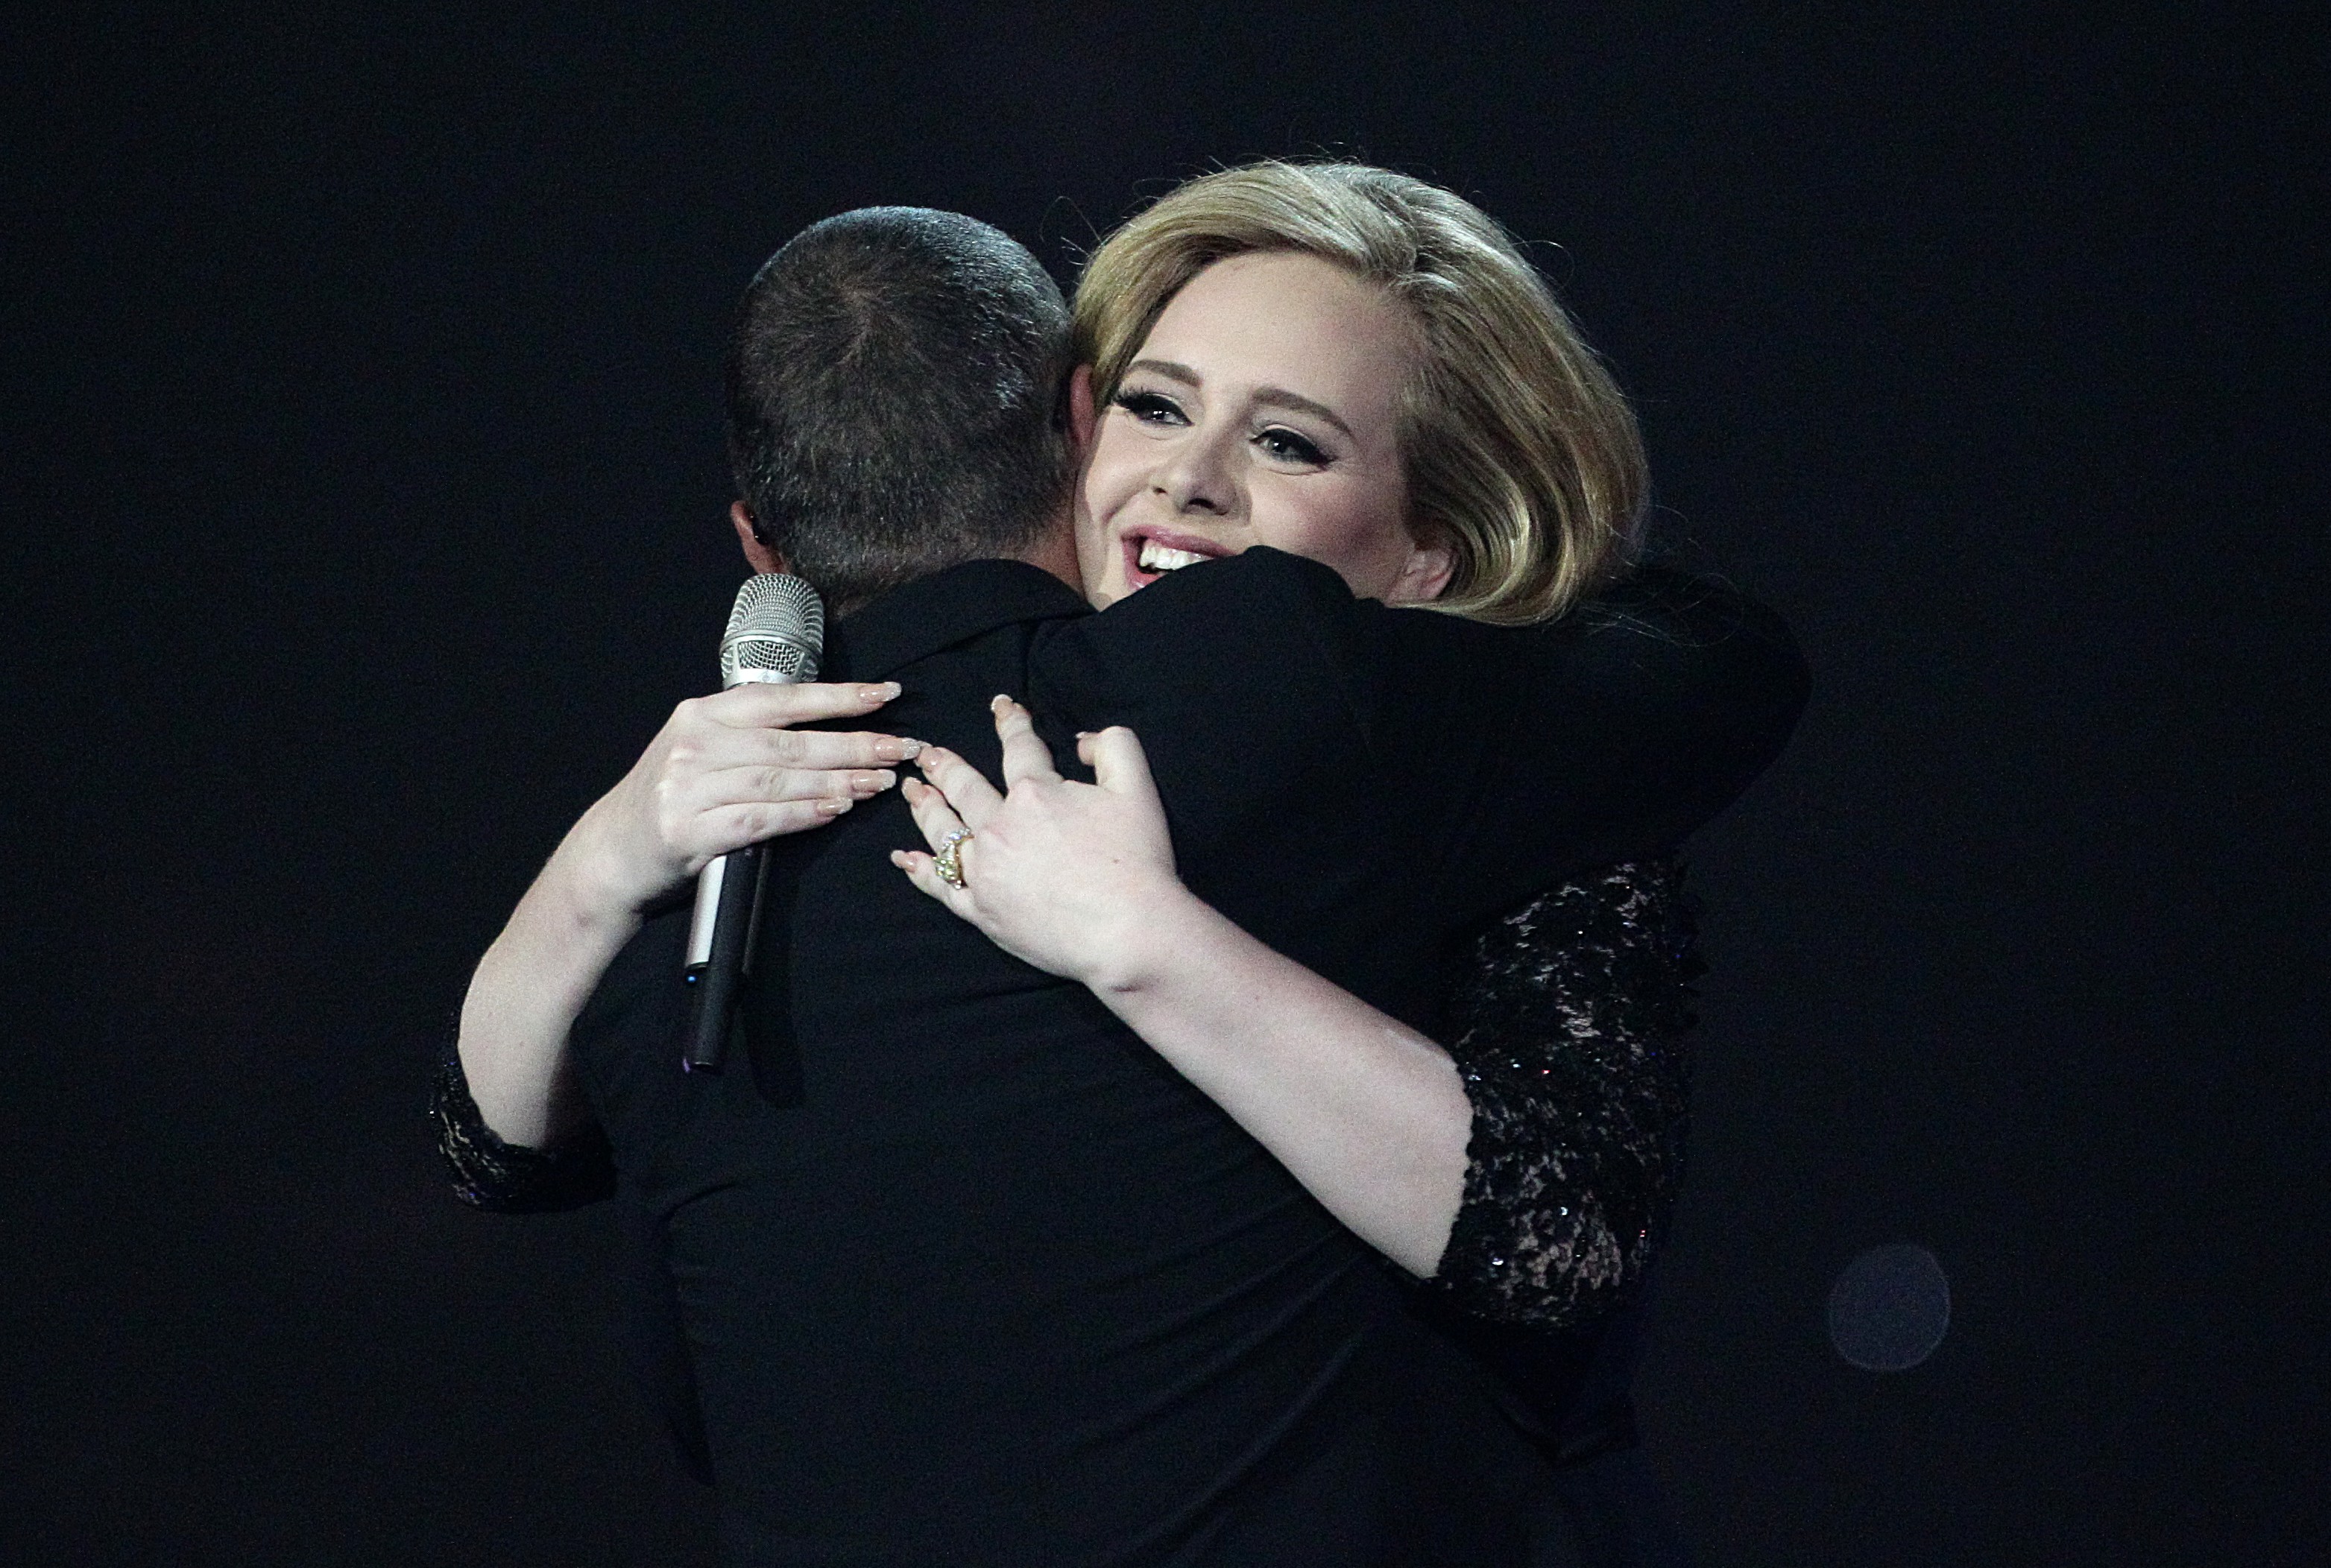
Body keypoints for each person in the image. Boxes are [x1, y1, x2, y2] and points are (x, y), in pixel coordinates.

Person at [441, 174, 1802, 1565]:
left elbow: (1553, 1234)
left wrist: (1147, 942)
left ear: (1433, 559)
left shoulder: (1441, 766)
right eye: (1157, 407)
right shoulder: (807, 822)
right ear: (1073, 432)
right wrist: (607, 850)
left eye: (1289, 442)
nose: (1188, 479)